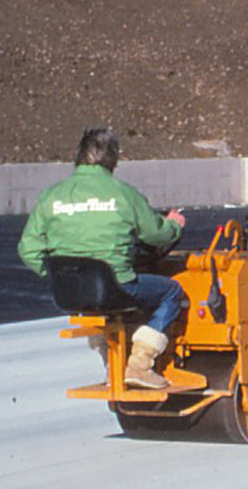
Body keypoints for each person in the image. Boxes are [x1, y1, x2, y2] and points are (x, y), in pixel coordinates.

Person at [18, 125, 188, 388]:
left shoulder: (51, 195)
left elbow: (28, 249)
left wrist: (57, 275)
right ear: (114, 159)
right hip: (116, 286)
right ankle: (139, 365)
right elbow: (157, 235)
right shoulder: (122, 193)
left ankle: (113, 366)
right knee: (171, 293)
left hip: (71, 293)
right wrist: (174, 223)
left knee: (102, 308)